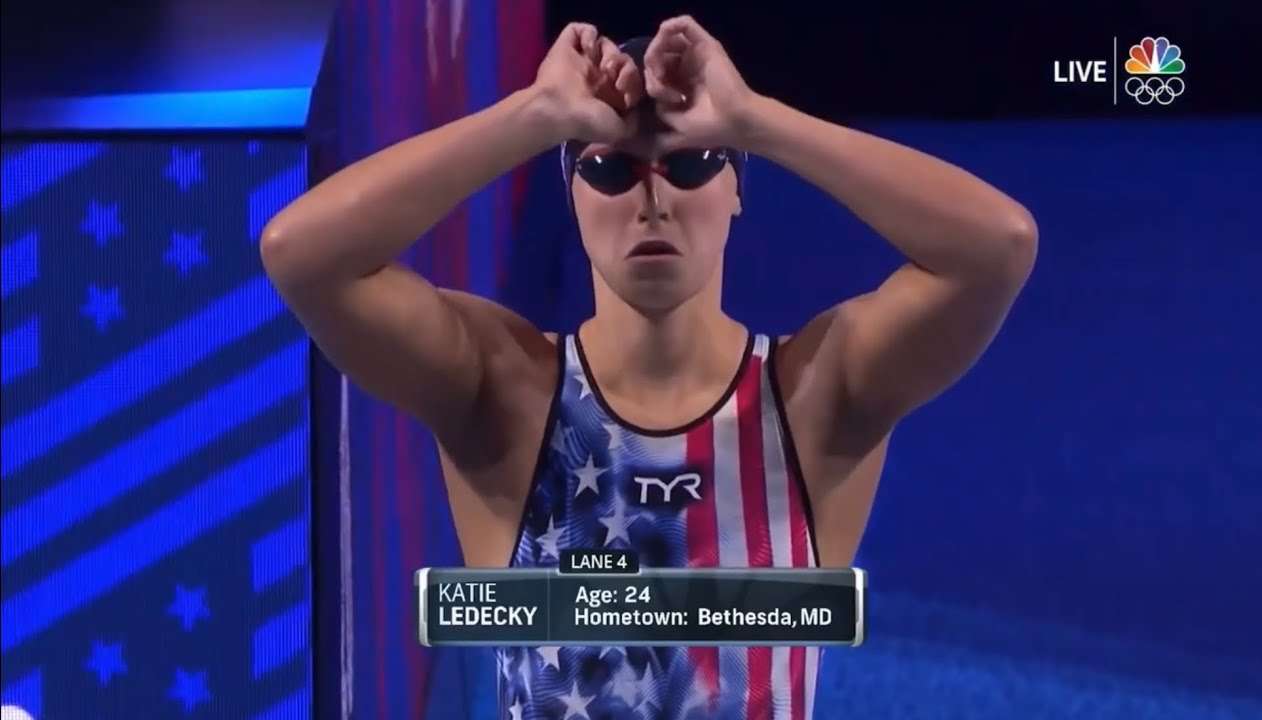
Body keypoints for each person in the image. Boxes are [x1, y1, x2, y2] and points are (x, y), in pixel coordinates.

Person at [261, 15, 1037, 720]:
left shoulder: (813, 395)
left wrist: (757, 120)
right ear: (572, 198)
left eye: (693, 162)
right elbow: (300, 254)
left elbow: (998, 245)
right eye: (610, 169)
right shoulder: (505, 393)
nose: (652, 199)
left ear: (738, 190)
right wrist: (533, 114)